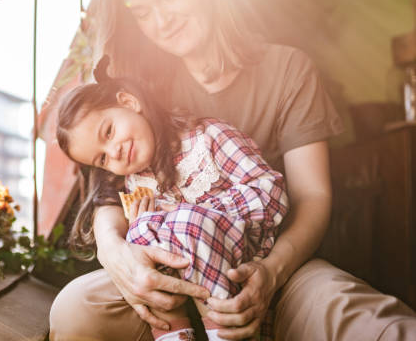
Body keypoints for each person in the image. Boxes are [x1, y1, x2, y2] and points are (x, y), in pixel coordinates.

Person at [49, 0, 416, 340]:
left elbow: (313, 196)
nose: (162, 21)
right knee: (75, 310)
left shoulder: (288, 70)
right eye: (144, 12)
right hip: (174, 276)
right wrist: (116, 254)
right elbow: (110, 192)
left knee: (373, 325)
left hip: (275, 263)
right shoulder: (145, 88)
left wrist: (270, 275)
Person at [55, 78, 288, 340]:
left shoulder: (208, 137)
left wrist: (189, 216)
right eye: (103, 158)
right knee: (140, 231)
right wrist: (145, 230)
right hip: (180, 291)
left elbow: (270, 191)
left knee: (182, 220)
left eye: (108, 132)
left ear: (129, 103)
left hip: (242, 255)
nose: (114, 152)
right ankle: (175, 335)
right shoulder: (135, 187)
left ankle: (225, 332)